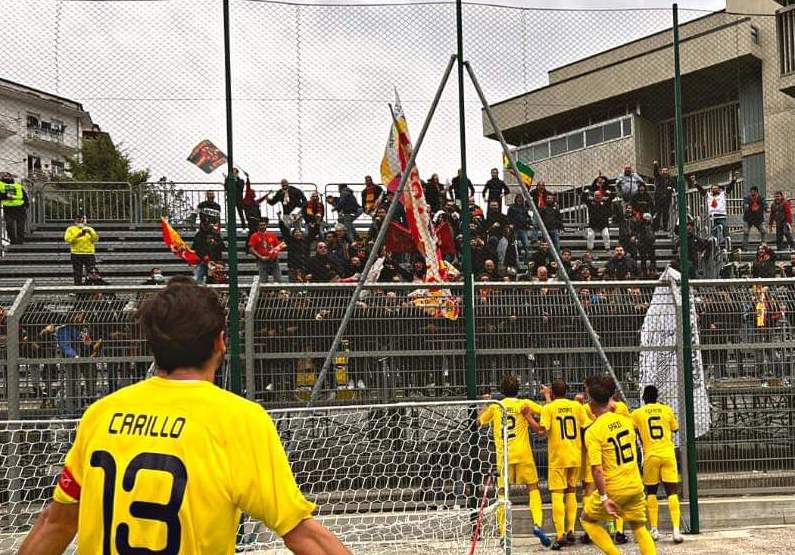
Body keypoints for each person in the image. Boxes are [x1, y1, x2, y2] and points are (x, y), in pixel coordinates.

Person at [20, 280, 350, 554]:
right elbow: (300, 533)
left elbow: (56, 521)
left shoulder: (101, 414)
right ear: (220, 342)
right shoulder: (238, 419)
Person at [579, 375, 657, 555]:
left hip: (614, 488)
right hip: (635, 484)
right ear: (610, 399)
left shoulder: (594, 431)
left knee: (587, 520)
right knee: (639, 527)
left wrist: (605, 498)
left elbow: (597, 469)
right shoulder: (626, 421)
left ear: (590, 404)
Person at [479, 374, 550, 547]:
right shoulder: (524, 404)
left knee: (503, 493)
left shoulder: (496, 407)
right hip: (523, 453)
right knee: (533, 487)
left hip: (504, 455)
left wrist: (485, 404)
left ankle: (504, 534)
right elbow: (548, 412)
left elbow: (478, 422)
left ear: (501, 391)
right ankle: (537, 524)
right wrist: (547, 396)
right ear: (518, 390)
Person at [538, 379, 589, 550]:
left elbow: (542, 431)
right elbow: (586, 426)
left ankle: (560, 533)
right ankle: (571, 529)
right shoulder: (577, 407)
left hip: (558, 457)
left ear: (552, 392)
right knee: (572, 491)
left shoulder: (548, 408)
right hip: (575, 454)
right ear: (566, 392)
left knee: (557, 493)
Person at [631, 384, 683, 544]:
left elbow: (633, 430)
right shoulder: (666, 410)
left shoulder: (637, 413)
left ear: (644, 398)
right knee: (672, 492)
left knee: (651, 492)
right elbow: (675, 428)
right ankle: (676, 529)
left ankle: (654, 529)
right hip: (668, 454)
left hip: (650, 455)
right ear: (657, 397)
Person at [249, 217, 286, 283]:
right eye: (261, 225)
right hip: (262, 260)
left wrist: (275, 252)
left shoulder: (271, 235)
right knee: (263, 280)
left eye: (264, 224)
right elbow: (251, 249)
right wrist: (261, 257)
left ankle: (277, 292)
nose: (263, 226)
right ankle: (264, 293)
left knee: (278, 279)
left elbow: (278, 246)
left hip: (274, 260)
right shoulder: (254, 236)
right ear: (257, 226)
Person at [64, 215, 99, 285]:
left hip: (89, 253)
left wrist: (90, 232)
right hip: (76, 253)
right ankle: (78, 290)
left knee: (91, 272)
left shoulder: (90, 229)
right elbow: (68, 240)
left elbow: (95, 239)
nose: (80, 221)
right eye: (78, 220)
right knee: (77, 273)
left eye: (82, 220)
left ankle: (90, 289)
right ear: (75, 221)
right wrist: (78, 234)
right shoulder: (70, 229)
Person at [0, 172, 27, 244]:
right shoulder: (2, 185)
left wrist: (26, 204)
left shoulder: (17, 185)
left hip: (18, 207)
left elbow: (23, 195)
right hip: (10, 208)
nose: (6, 177)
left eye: (8, 176)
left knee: (19, 225)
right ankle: (14, 240)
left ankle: (18, 240)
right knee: (10, 225)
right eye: (4, 176)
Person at [742, 185, 767, 251]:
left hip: (758, 219)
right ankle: (745, 248)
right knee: (746, 232)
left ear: (756, 192)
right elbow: (745, 203)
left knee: (763, 231)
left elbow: (765, 204)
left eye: (753, 192)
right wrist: (745, 206)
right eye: (751, 192)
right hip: (748, 218)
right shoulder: (747, 198)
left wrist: (766, 208)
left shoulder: (761, 198)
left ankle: (763, 246)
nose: (752, 193)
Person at [652, 162, 674, 232]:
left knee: (665, 214)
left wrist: (671, 189)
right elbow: (655, 173)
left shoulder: (671, 179)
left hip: (667, 199)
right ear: (661, 171)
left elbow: (673, 187)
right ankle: (656, 227)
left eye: (666, 171)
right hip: (659, 198)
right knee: (658, 213)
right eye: (663, 171)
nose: (665, 172)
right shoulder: (659, 177)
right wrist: (655, 165)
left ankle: (665, 227)